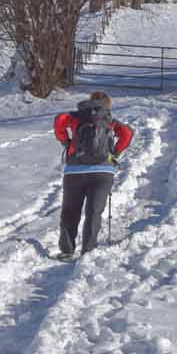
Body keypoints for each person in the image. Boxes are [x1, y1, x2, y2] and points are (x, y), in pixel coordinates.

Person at [52, 90, 134, 259]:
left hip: (75, 170)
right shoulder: (109, 120)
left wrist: (65, 141)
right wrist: (115, 153)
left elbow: (59, 120)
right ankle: (88, 251)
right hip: (103, 171)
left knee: (70, 210)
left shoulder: (76, 116)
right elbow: (127, 133)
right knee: (94, 211)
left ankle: (67, 251)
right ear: (107, 105)